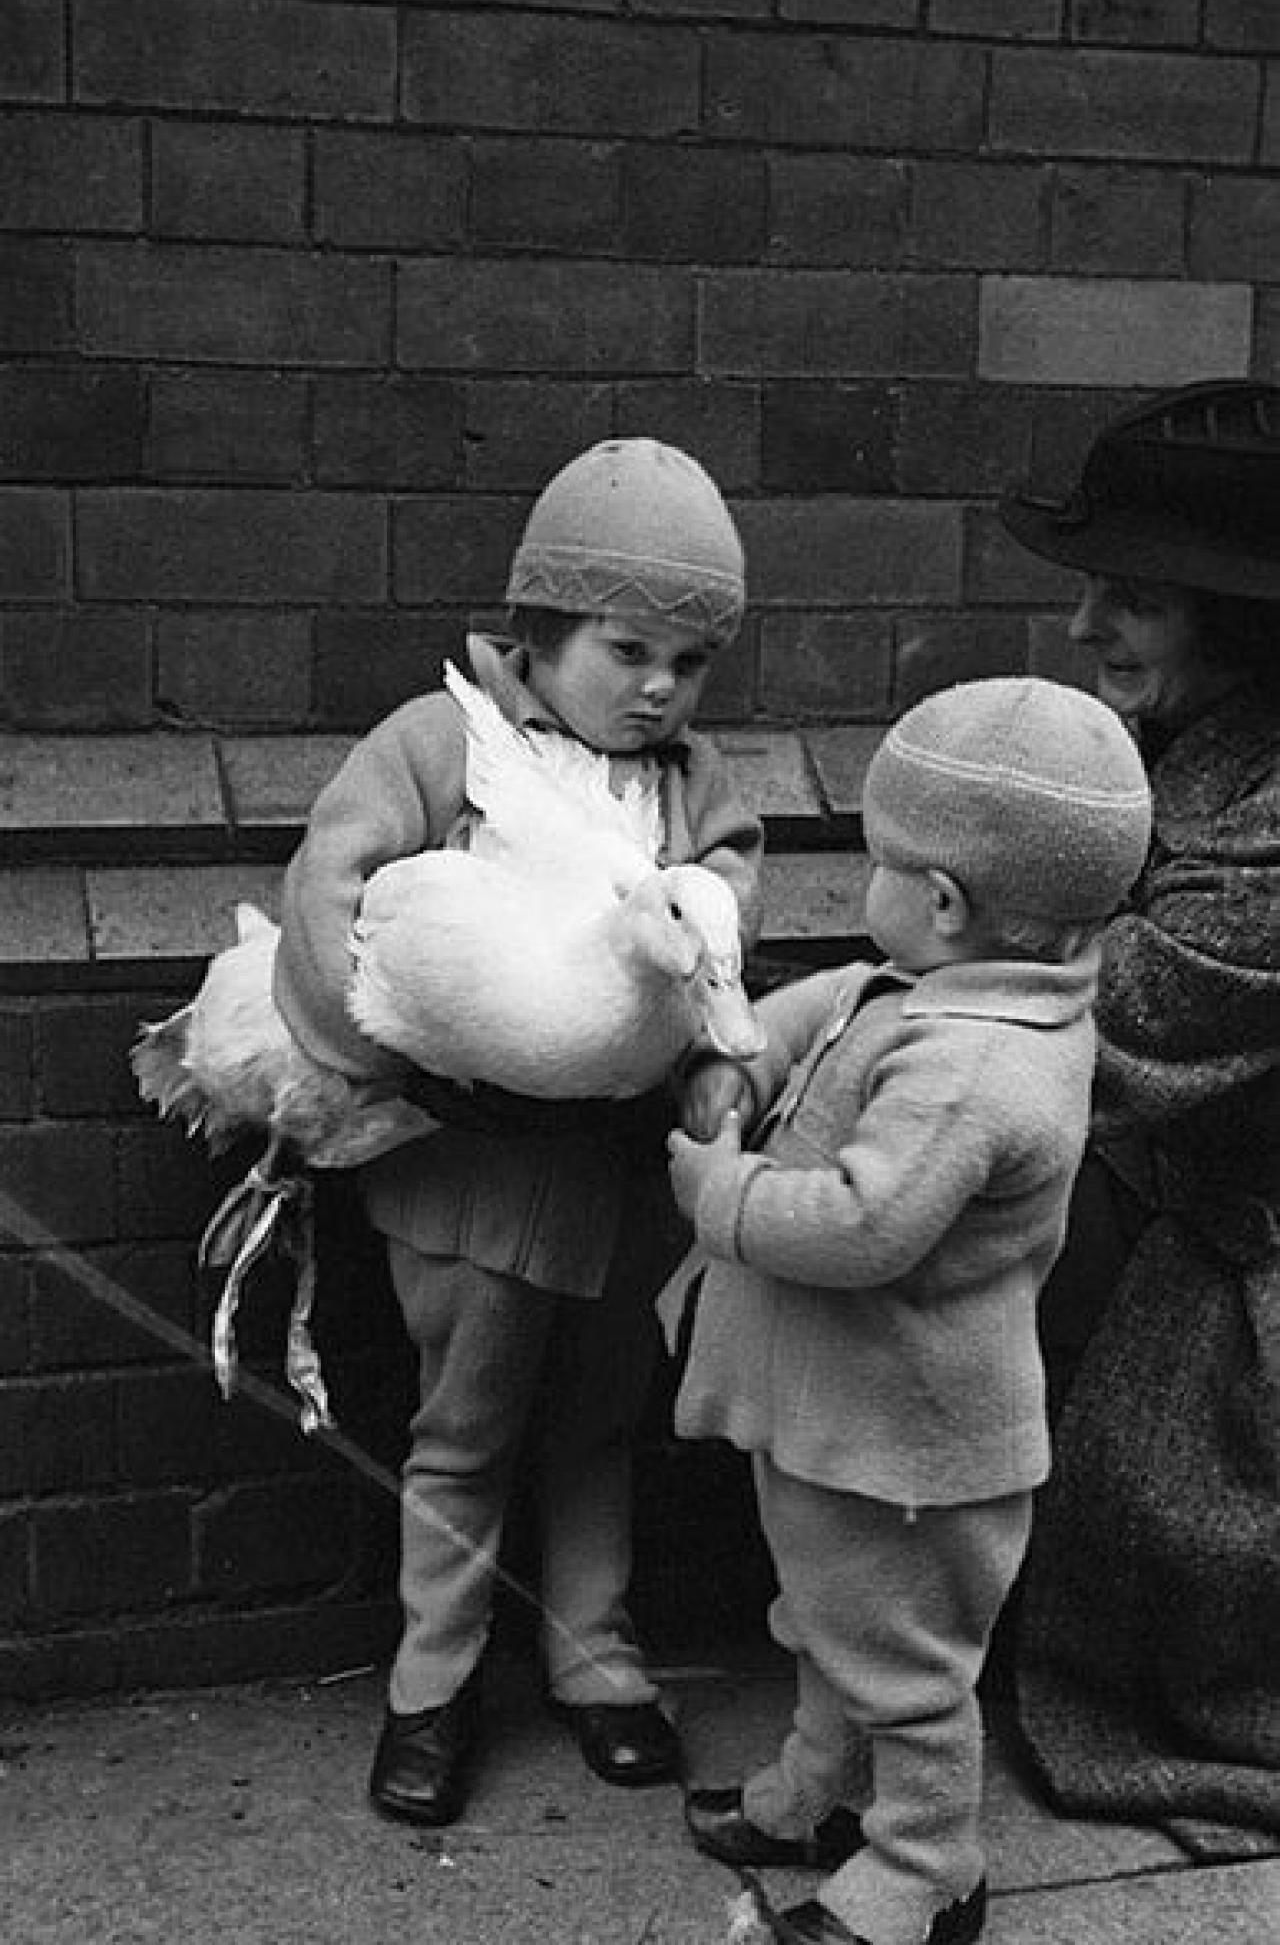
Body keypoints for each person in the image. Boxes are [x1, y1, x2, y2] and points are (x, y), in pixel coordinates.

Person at [271, 439, 764, 1825]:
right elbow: (332, 884)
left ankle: (595, 1654)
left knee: (602, 1417)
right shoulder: (439, 744)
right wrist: (385, 1056)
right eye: (627, 650)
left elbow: (719, 925)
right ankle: (432, 1680)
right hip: (472, 1169)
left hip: (617, 1177)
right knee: (466, 1422)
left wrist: (710, 1073)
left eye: (689, 661)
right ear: (540, 628)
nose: (659, 687)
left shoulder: (690, 785)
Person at [661, 677, 1153, 1945]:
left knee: (904, 1665)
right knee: (830, 1617)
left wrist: (716, 1190)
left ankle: (926, 1872)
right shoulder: (950, 987)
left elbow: (858, 1225)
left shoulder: (977, 1066)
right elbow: (834, 1004)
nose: (864, 885)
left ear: (940, 900)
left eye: (877, 862)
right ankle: (818, 1795)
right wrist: (742, 1053)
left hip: (909, 1448)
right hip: (847, 1421)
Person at [997, 381, 1280, 1850]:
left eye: (1135, 600)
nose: (1081, 625)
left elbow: (1098, 1025)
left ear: (1240, 627)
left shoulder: (1264, 828)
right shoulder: (1182, 758)